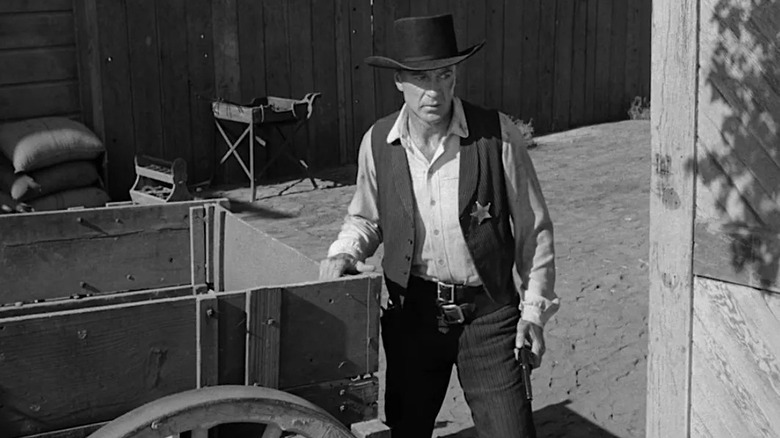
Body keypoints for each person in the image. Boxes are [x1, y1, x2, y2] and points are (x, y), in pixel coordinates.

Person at [319, 13, 559, 438]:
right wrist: (344, 251)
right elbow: (365, 217)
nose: (433, 90)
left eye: (444, 75)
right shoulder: (378, 143)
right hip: (412, 315)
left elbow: (533, 229)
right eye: (420, 77)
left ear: (455, 76)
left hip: (489, 313)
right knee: (408, 430)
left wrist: (534, 312)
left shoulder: (497, 136)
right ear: (398, 80)